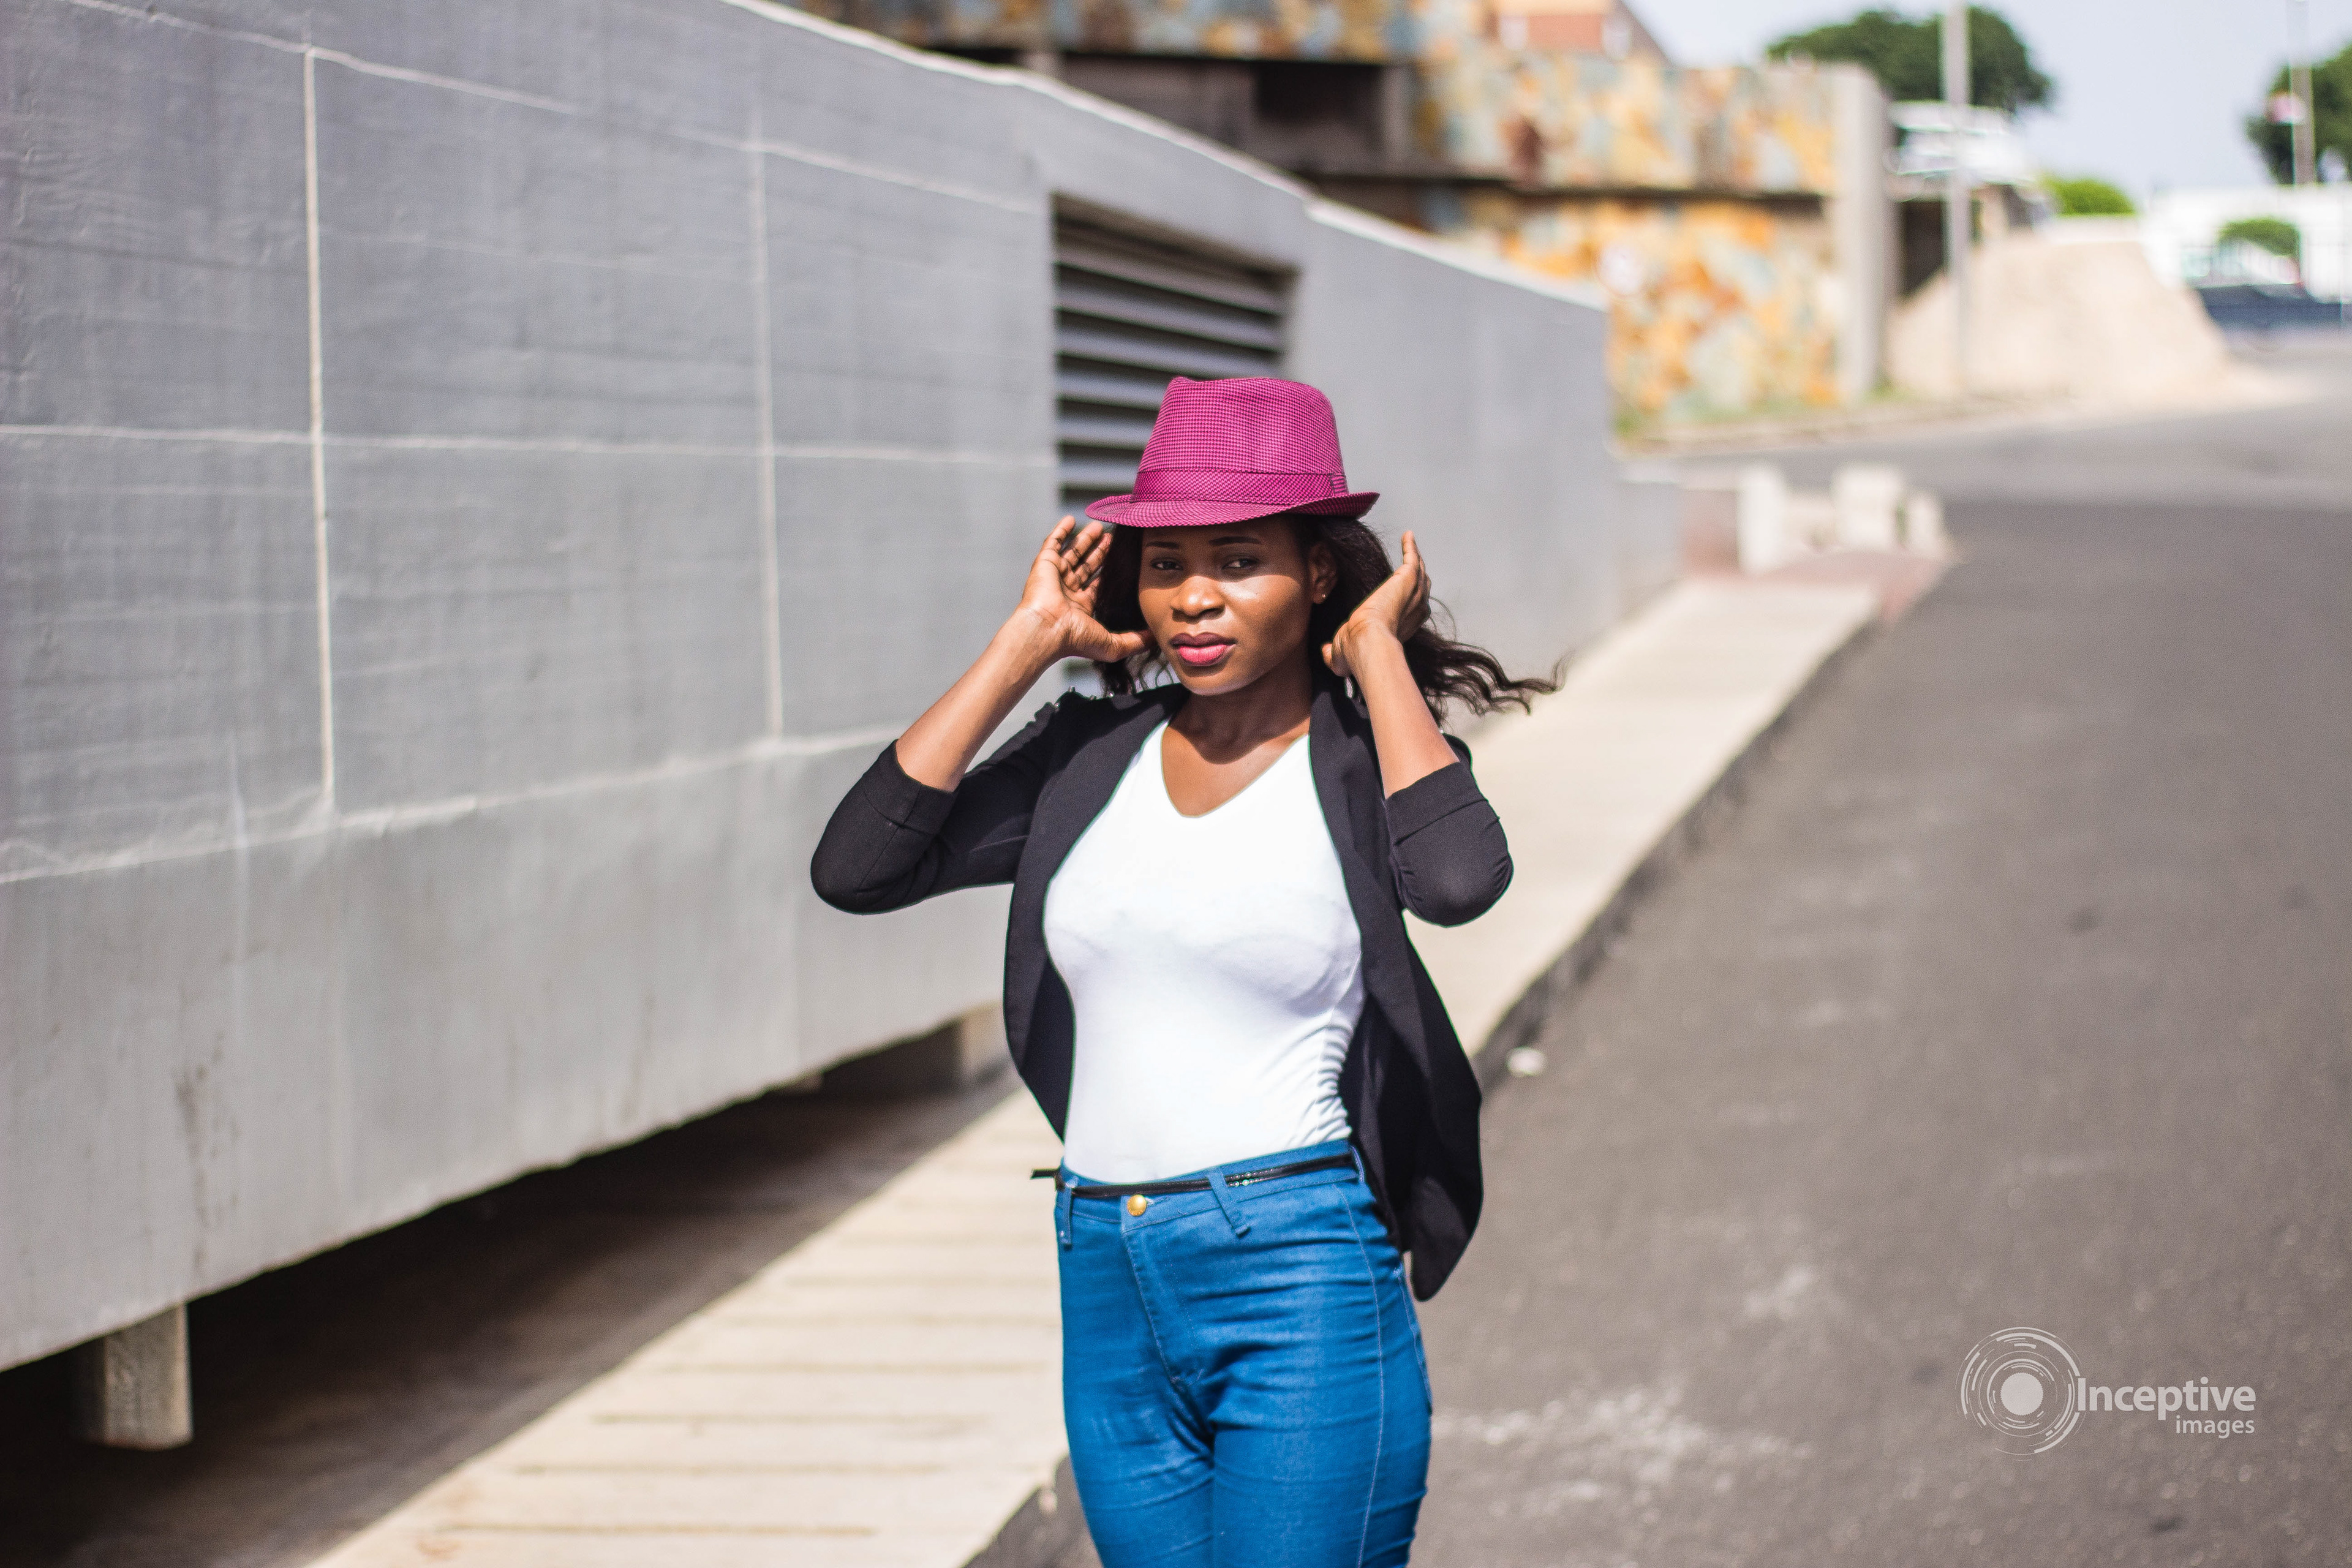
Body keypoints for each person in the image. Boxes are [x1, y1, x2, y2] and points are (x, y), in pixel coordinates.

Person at [811, 375, 1551, 1567]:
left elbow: (1460, 880)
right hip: (1106, 1272)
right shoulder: (1086, 757)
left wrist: (1375, 657)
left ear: (1317, 573)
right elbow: (858, 868)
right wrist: (1024, 645)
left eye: (1240, 560)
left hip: (1297, 1270)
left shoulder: (1363, 762)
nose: (1195, 595)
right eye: (1166, 564)